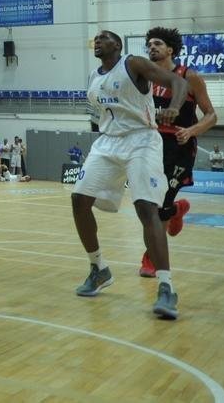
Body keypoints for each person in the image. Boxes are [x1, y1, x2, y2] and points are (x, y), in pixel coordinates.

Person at [72, 29, 188, 321]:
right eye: (95, 38)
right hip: (108, 141)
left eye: (104, 37)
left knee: (146, 208)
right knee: (79, 200)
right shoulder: (94, 76)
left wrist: (174, 108)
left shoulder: (133, 63)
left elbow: (177, 81)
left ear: (117, 44)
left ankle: (166, 287)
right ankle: (98, 268)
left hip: (141, 139)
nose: (97, 41)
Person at [141, 27, 218, 278]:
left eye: (157, 44)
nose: (152, 47)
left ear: (170, 49)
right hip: (150, 144)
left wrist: (192, 131)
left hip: (179, 144)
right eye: (149, 44)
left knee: (160, 202)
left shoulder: (189, 76)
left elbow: (212, 115)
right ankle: (176, 210)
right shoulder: (144, 78)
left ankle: (151, 257)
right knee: (149, 203)